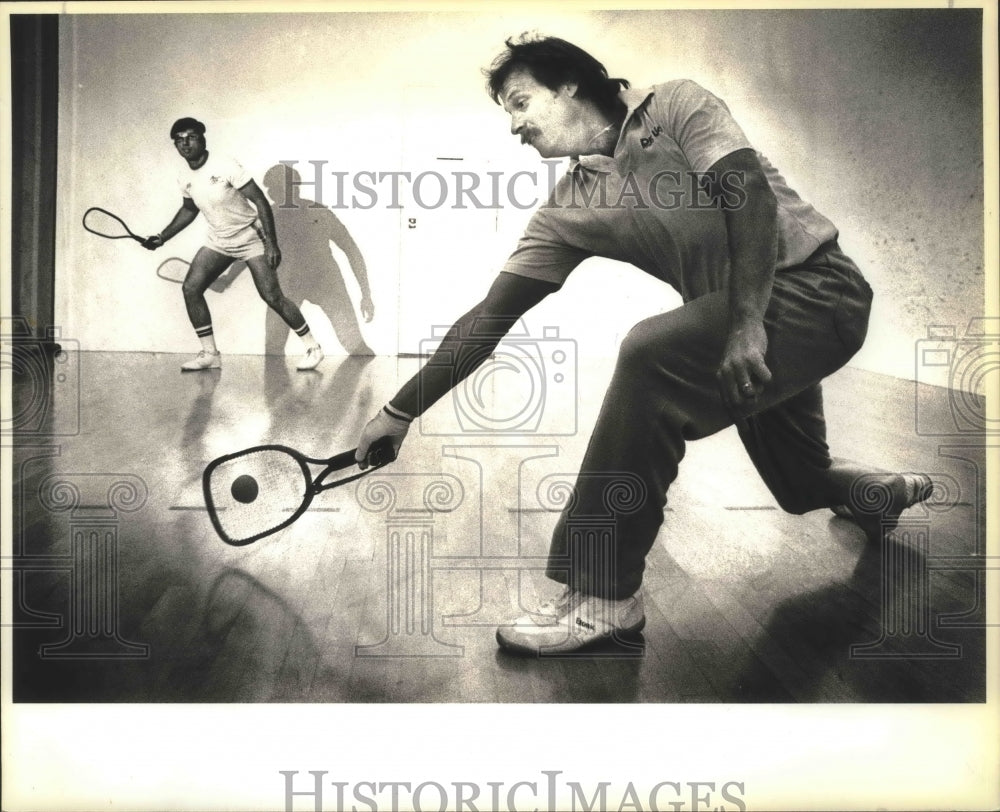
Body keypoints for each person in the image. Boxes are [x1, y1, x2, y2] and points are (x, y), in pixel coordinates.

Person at [354, 35, 933, 655]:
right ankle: (885, 493)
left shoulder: (676, 107)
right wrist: (399, 410)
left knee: (649, 354)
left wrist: (744, 325)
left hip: (816, 294)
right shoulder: (569, 206)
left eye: (522, 103)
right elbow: (489, 318)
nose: (515, 126)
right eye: (508, 113)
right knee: (800, 483)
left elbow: (750, 197)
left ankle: (604, 596)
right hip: (743, 326)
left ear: (570, 83)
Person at [142, 117, 324, 372]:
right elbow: (188, 209)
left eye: (191, 137)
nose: (185, 144)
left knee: (272, 296)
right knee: (191, 288)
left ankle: (313, 347)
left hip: (252, 238)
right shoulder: (185, 177)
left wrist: (271, 243)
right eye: (179, 140)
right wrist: (162, 237)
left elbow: (260, 201)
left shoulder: (225, 165)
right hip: (219, 240)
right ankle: (210, 354)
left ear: (203, 139)